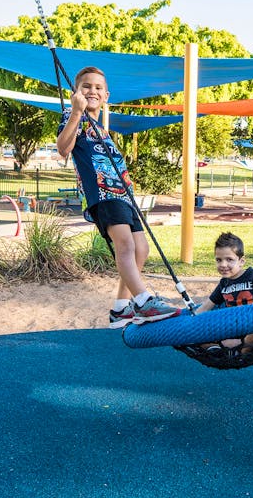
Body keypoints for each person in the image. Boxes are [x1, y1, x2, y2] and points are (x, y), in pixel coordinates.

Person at [56, 66, 180, 328]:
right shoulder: (73, 117)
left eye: (98, 87)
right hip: (102, 195)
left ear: (106, 95)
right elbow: (63, 149)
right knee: (125, 246)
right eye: (86, 86)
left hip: (123, 196)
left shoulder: (101, 128)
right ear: (75, 93)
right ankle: (143, 301)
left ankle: (121, 308)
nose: (92, 91)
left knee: (141, 250)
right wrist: (76, 111)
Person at [196, 232, 253, 348]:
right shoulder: (223, 284)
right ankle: (220, 348)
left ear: (241, 261)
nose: (223, 264)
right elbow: (206, 307)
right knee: (199, 334)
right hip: (233, 328)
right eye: (218, 260)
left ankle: (242, 346)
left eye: (229, 259)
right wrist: (190, 323)